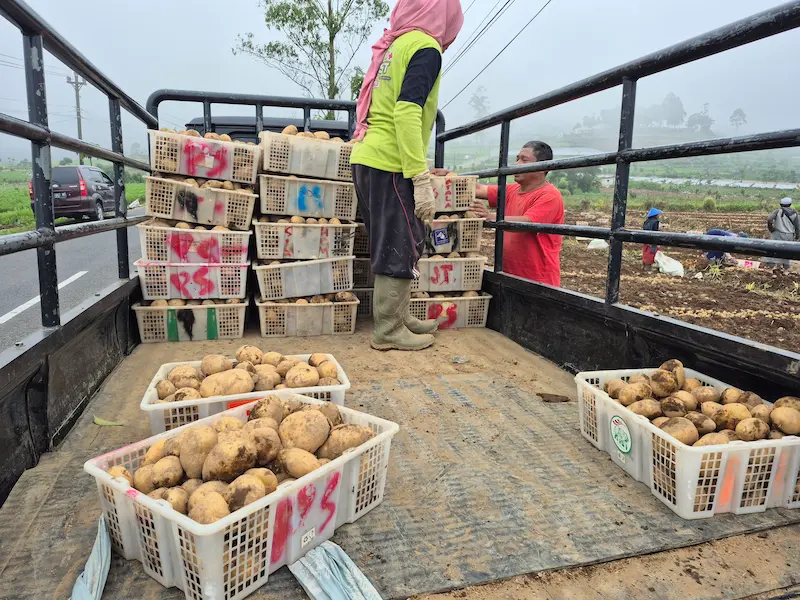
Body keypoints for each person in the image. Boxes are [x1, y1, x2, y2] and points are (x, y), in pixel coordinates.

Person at [349, 0, 464, 351]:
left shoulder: (395, 43)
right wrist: (420, 176)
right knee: (398, 242)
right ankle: (387, 331)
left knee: (393, 239)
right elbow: (406, 112)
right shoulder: (425, 47)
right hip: (390, 161)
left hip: (367, 156)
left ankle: (399, 317)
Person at [466, 141, 565, 286]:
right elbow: (480, 189)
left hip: (537, 281)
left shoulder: (550, 195)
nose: (517, 164)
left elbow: (527, 222)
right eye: (517, 159)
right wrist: (450, 178)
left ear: (542, 167)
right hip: (509, 276)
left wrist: (491, 217)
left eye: (524, 160)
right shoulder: (512, 190)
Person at [766, 197, 800, 269]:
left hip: (777, 233)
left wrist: (771, 229)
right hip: (789, 235)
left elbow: (769, 219)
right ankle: (786, 269)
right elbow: (797, 226)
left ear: (781, 204)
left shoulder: (777, 211)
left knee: (773, 249)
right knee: (787, 251)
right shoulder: (794, 213)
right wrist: (797, 235)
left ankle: (771, 268)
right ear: (790, 204)